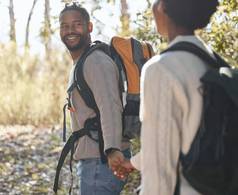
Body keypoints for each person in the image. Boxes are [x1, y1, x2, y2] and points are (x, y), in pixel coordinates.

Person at [117, 0, 219, 194]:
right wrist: (133, 163)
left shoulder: (161, 69)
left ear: (163, 7)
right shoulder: (213, 60)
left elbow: (160, 163)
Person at [59, 3, 130, 195]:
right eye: (64, 26)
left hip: (101, 161)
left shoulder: (96, 61)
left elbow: (110, 106)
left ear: (89, 27)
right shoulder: (81, 62)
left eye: (76, 24)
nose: (70, 30)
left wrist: (113, 149)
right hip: (94, 161)